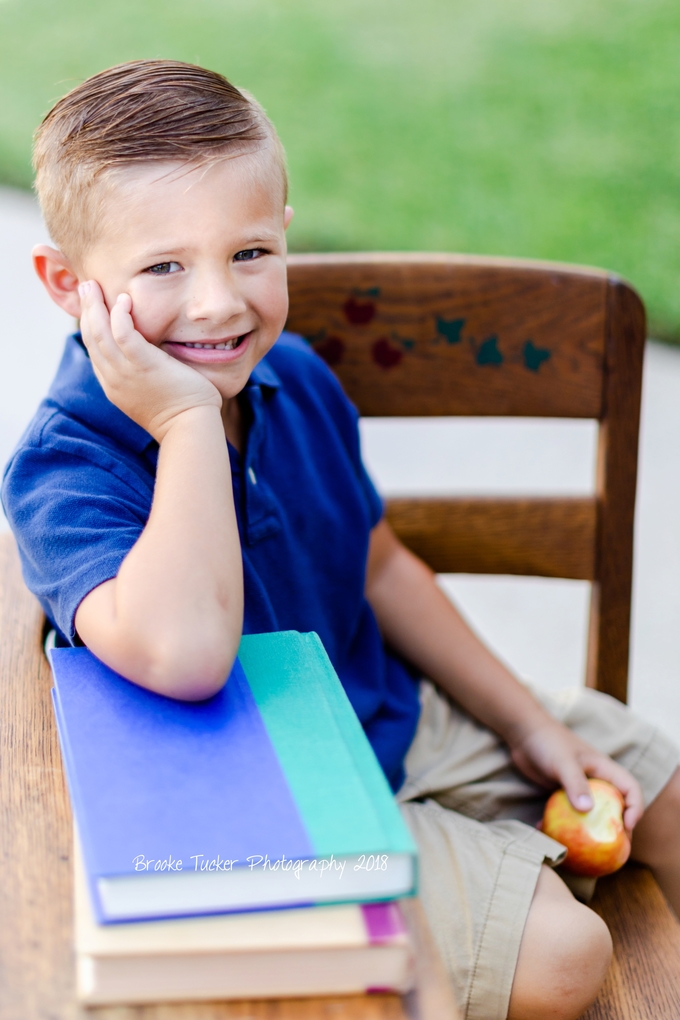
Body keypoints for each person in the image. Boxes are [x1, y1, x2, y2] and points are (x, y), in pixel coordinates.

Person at [3, 60, 679, 1020]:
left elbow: (382, 564)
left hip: (394, 713)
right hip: (276, 803)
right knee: (570, 954)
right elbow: (191, 657)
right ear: (70, 286)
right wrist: (187, 423)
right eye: (163, 266)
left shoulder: (297, 377)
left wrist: (526, 724)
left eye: (249, 253)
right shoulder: (66, 469)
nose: (218, 305)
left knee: (663, 792)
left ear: (285, 230)